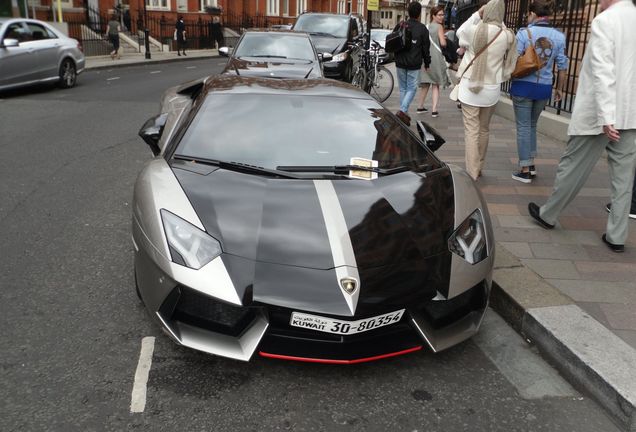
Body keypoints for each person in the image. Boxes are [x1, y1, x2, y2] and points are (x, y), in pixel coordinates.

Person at [528, 0, 636, 253]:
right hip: (630, 113)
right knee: (623, 179)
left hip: (599, 115)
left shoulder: (605, 21)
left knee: (572, 166)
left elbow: (602, 69)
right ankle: (617, 235)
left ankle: (549, 214)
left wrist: (607, 116)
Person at [455, 0, 517, 180]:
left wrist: (477, 15)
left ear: (486, 11)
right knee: (484, 129)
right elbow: (501, 27)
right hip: (492, 88)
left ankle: (472, 171)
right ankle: (479, 165)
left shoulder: (475, 30)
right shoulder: (507, 35)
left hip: (470, 87)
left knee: (471, 130)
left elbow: (460, 32)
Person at [510, 0, 568, 183]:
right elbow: (563, 66)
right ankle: (531, 164)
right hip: (544, 87)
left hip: (523, 86)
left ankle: (525, 169)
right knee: (532, 125)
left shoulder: (524, 34)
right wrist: (559, 89)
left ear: (533, 14)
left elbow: (514, 59)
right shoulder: (559, 36)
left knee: (524, 127)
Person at [394, 1, 431, 127]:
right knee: (412, 88)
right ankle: (403, 111)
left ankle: (405, 115)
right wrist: (427, 62)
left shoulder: (400, 25)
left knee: (403, 88)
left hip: (400, 62)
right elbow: (426, 48)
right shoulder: (422, 29)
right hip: (414, 63)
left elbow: (393, 41)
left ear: (409, 12)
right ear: (419, 13)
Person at [416, 6, 451, 118]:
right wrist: (444, 38)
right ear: (433, 16)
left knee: (425, 84)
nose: (442, 17)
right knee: (435, 84)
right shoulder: (439, 27)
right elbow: (443, 43)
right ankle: (434, 110)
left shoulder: (426, 27)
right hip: (436, 57)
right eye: (440, 15)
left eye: (443, 14)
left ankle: (420, 106)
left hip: (426, 58)